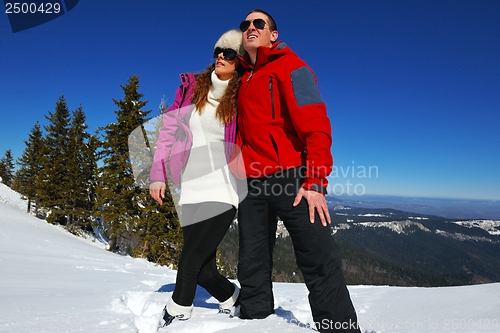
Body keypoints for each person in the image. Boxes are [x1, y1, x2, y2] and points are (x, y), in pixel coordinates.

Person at [232, 10, 362, 333]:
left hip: (292, 178)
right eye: (245, 24)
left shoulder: (293, 67)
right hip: (252, 183)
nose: (250, 27)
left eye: (258, 23)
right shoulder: (242, 79)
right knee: (251, 263)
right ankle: (255, 322)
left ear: (273, 34)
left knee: (318, 258)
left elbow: (316, 126)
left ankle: (340, 329)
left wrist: (316, 180)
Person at [149, 29, 245, 327]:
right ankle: (233, 298)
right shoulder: (192, 88)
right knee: (203, 269)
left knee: (189, 260)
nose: (221, 56)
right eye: (219, 50)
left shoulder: (244, 93)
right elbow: (168, 133)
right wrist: (158, 174)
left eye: (229, 53)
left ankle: (179, 310)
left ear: (239, 60)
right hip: (190, 186)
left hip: (225, 187)